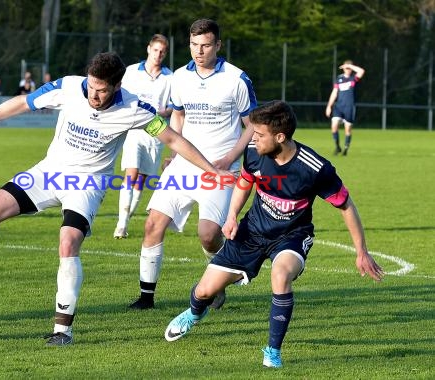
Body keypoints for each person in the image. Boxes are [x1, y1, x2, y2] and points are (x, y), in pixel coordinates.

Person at [0, 52, 233, 347]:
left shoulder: (135, 108)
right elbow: (24, 102)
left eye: (102, 90)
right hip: (48, 173)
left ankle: (62, 330)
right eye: (91, 86)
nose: (94, 94)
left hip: (86, 184)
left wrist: (211, 170)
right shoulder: (67, 86)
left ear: (116, 86)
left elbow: (173, 139)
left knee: (68, 241)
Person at [163, 100, 384, 368]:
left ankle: (272, 351)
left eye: (258, 134)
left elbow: (346, 205)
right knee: (204, 291)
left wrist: (361, 251)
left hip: (291, 236)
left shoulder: (314, 168)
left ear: (280, 137)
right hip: (252, 232)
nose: (252, 138)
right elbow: (246, 181)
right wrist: (232, 215)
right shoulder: (255, 152)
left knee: (280, 275)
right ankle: (194, 314)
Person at [128, 19, 257, 310]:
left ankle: (220, 275)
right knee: (152, 224)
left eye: (206, 45)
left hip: (221, 169)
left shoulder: (237, 79)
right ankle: (146, 298)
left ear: (218, 45)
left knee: (209, 236)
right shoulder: (179, 79)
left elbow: (252, 125)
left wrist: (229, 157)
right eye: (194, 45)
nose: (199, 51)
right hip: (183, 167)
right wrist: (174, 153)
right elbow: (179, 116)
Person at [113, 34, 173, 239]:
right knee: (131, 174)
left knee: (142, 180)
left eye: (162, 52)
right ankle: (121, 225)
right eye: (155, 50)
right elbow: (120, 94)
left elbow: (174, 106)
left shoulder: (169, 77)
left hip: (155, 134)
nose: (158, 54)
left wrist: (164, 111)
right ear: (149, 49)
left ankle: (126, 219)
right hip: (134, 130)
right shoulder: (131, 72)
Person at [325, 60, 365, 156]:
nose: (348, 70)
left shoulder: (353, 79)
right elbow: (334, 93)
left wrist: (350, 66)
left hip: (349, 107)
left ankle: (346, 148)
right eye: (346, 68)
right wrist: (329, 106)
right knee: (334, 127)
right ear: (343, 68)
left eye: (349, 68)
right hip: (338, 107)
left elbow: (361, 71)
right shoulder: (339, 79)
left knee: (348, 130)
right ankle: (338, 146)